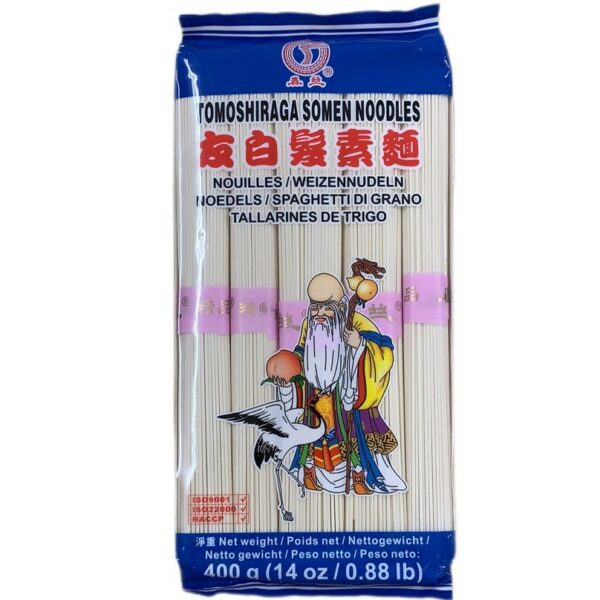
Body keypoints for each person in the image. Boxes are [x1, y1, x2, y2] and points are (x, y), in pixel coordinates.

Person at [275, 272, 407, 495]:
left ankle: (358, 475)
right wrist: (286, 378)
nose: (319, 314)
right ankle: (310, 471)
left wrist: (359, 344)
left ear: (341, 306)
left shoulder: (358, 322)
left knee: (349, 435)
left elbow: (383, 357)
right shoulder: (309, 325)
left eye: (327, 308)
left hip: (345, 394)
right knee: (313, 435)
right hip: (315, 396)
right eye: (315, 308)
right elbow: (299, 360)